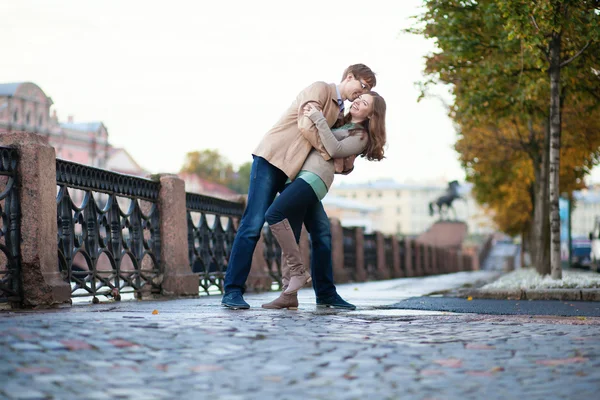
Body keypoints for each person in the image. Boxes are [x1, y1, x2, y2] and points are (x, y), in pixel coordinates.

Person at [221, 64, 377, 310]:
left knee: (318, 230)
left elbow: (342, 159)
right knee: (252, 224)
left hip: (297, 172)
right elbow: (307, 126)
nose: (362, 93)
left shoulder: (340, 113)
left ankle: (314, 293)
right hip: (273, 159)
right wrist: (330, 153)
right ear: (349, 77)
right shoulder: (320, 89)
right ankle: (232, 291)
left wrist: (340, 157)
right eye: (363, 86)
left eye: (367, 91)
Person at [261, 92, 387, 309]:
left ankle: (300, 274)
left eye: (364, 103)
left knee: (274, 214)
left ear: (371, 114)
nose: (357, 101)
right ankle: (293, 294)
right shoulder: (341, 123)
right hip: (300, 177)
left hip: (314, 179)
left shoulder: (360, 135)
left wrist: (318, 119)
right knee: (314, 232)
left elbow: (334, 149)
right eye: (359, 98)